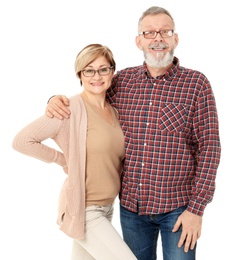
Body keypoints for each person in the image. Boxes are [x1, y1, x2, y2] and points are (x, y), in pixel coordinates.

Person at [45, 6, 221, 260]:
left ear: (176, 39)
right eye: (149, 33)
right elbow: (90, 95)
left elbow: (209, 149)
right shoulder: (123, 81)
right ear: (138, 41)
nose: (157, 38)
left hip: (179, 210)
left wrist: (197, 210)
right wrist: (54, 99)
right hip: (132, 209)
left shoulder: (196, 84)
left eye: (165, 31)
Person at [12, 43, 137, 260]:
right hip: (85, 210)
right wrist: (64, 160)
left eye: (103, 69)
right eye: (89, 70)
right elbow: (22, 141)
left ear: (112, 72)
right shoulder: (69, 109)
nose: (96, 76)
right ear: (80, 74)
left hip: (107, 208)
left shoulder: (115, 111)